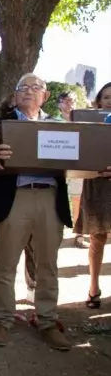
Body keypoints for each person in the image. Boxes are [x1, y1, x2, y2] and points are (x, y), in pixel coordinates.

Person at [0, 73, 73, 351]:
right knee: (6, 264)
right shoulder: (2, 124)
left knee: (48, 265)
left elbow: (79, 156)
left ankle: (47, 321)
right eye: (23, 87)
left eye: (36, 87)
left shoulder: (60, 126)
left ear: (45, 96)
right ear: (15, 95)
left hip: (50, 198)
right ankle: (2, 320)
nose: (29, 91)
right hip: (15, 198)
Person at [0, 95, 37, 303]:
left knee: (33, 244)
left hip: (40, 191)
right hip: (6, 193)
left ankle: (33, 286)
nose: (27, 96)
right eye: (20, 94)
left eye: (34, 90)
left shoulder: (51, 123)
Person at [74, 82, 111, 309]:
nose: (110, 100)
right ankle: (93, 288)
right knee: (97, 239)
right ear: (99, 101)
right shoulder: (87, 123)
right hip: (96, 185)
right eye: (106, 97)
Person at [54, 92, 88, 249]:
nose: (70, 104)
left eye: (73, 101)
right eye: (66, 101)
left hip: (77, 165)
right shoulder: (52, 121)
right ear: (59, 104)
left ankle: (79, 235)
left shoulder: (82, 122)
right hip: (57, 167)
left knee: (77, 199)